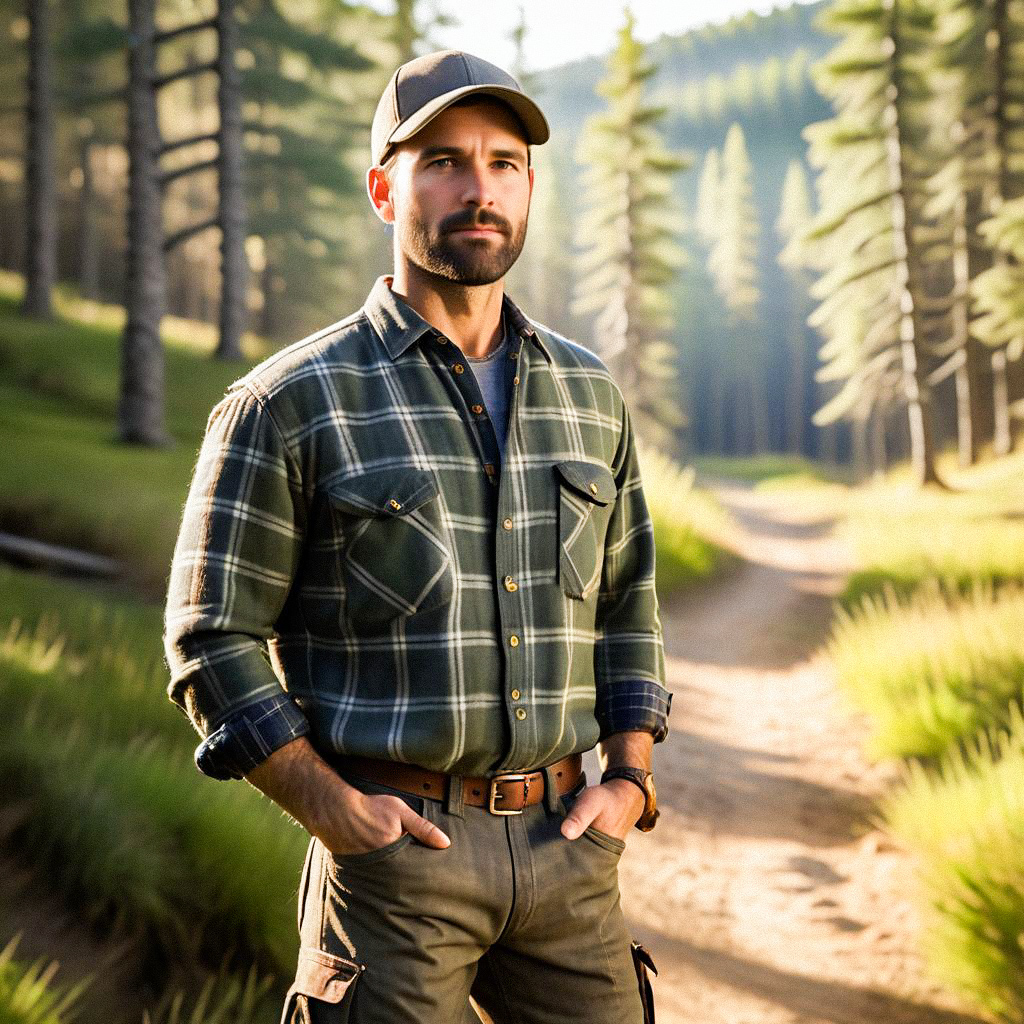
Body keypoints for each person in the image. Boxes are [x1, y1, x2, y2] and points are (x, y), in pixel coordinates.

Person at [163, 49, 671, 1024]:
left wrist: (631, 778)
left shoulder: (586, 391)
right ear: (382, 187)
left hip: (570, 849)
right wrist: (330, 808)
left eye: (504, 161)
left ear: (528, 186)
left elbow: (628, 594)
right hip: (394, 863)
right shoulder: (288, 402)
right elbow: (210, 634)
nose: (478, 188)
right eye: (442, 159)